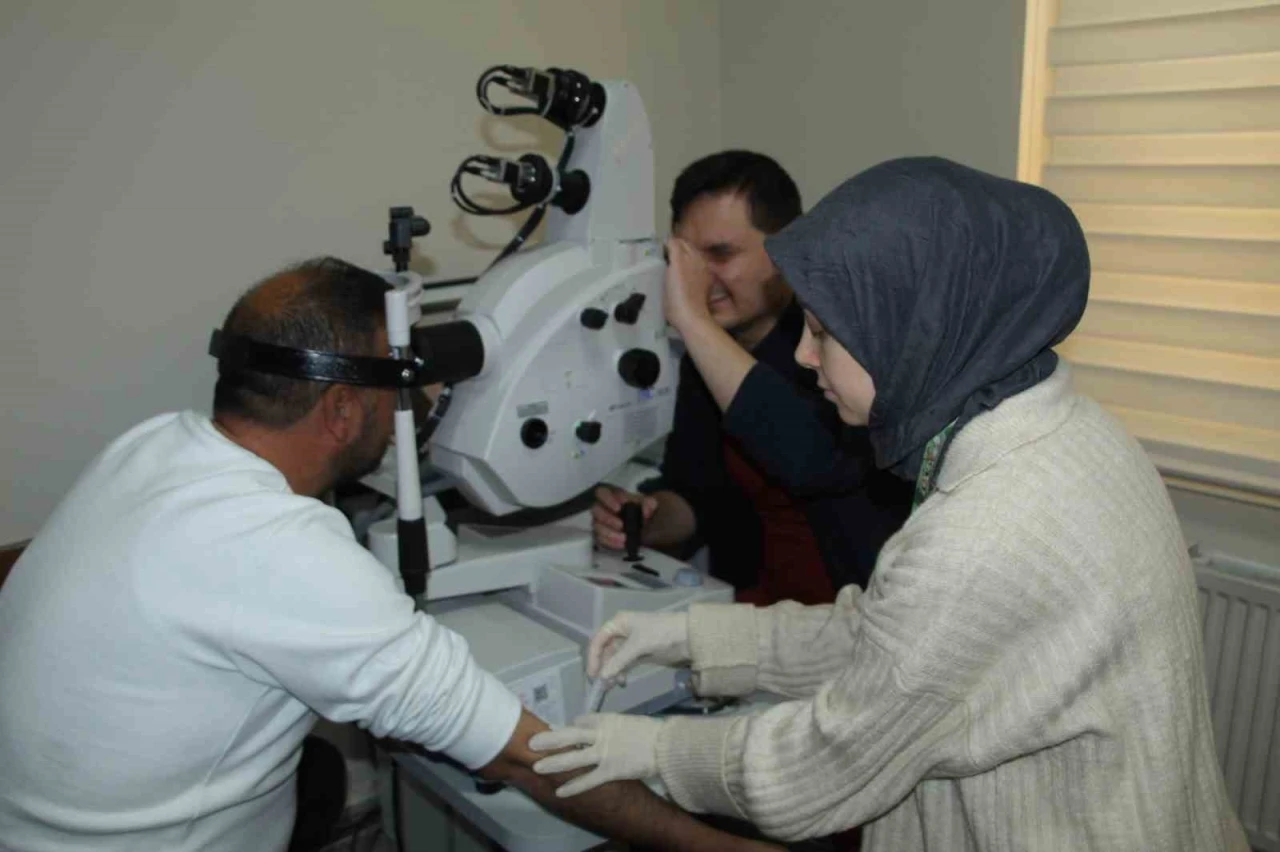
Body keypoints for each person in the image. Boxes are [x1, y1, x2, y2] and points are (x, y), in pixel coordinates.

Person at [530, 159, 1250, 851]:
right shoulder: (1062, 429)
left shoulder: (987, 528)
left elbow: (824, 766)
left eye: (823, 333)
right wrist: (692, 636)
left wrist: (655, 748)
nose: (804, 356)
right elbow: (888, 639)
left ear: (913, 331)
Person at [0, 258, 780, 852]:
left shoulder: (151, 447)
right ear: (342, 410)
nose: (415, 404)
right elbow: (526, 759)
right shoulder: (283, 553)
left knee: (319, 774)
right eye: (399, 385)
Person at [593, 151, 911, 605]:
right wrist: (646, 518)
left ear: (787, 248)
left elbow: (813, 460)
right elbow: (695, 495)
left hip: (850, 612)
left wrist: (691, 320)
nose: (698, 278)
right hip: (750, 608)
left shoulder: (843, 341)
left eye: (721, 254)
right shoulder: (705, 355)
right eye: (686, 258)